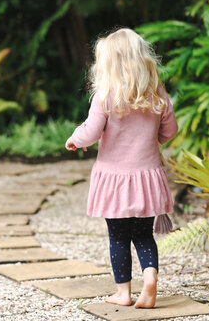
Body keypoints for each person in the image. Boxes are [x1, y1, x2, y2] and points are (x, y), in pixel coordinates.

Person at [65, 28, 178, 308]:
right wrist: (156, 139)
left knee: (118, 236)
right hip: (147, 177)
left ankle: (123, 293)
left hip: (115, 180)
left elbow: (91, 132)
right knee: (143, 234)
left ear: (107, 64)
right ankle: (149, 278)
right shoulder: (156, 93)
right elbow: (170, 130)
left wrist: (74, 139)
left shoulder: (105, 96)